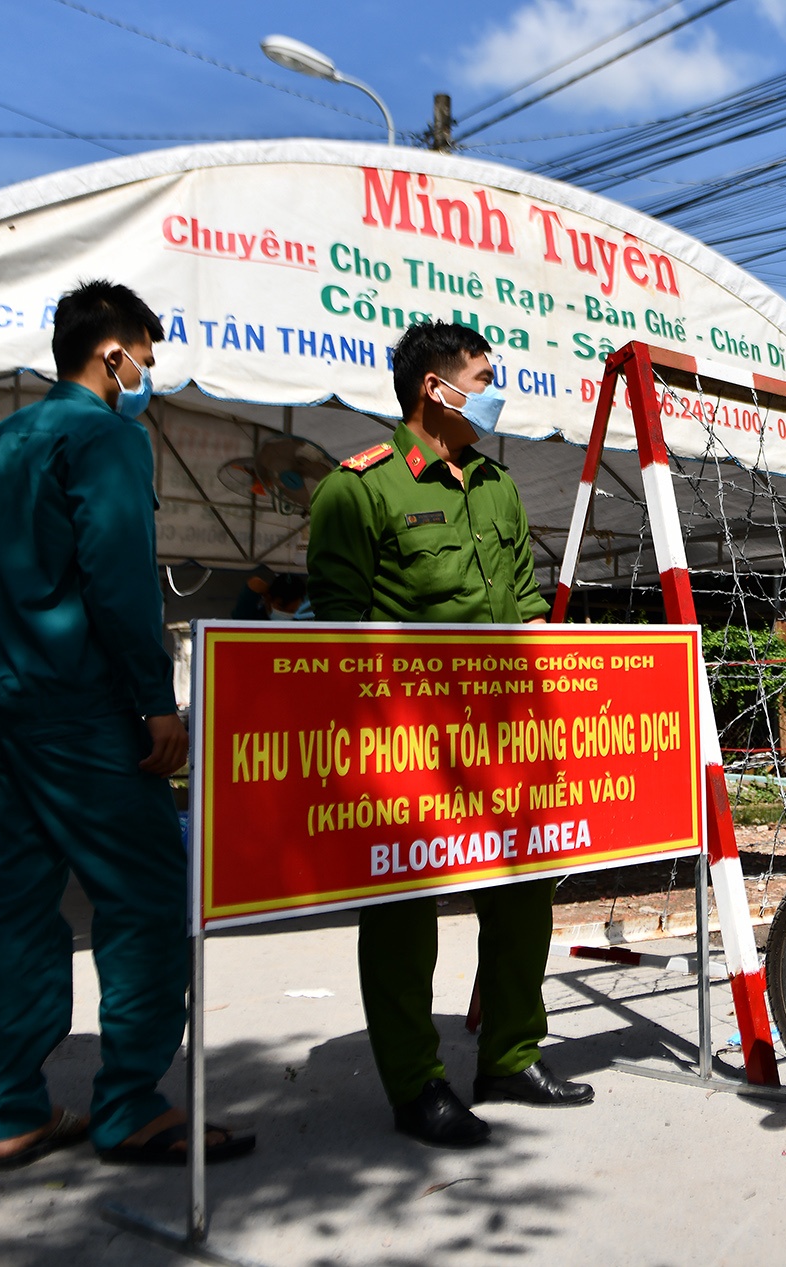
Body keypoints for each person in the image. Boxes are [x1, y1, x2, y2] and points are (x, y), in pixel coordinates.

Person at [0, 280, 255, 1169]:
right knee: (146, 898)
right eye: (145, 357)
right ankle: (129, 1103)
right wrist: (154, 704)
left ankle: (11, 1110)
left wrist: (0, 581)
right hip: (86, 708)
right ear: (111, 351)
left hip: (4, 712)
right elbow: (121, 577)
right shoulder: (106, 437)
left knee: (19, 904)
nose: (146, 375)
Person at [306, 320, 592, 1151]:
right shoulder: (358, 490)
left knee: (527, 888)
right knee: (403, 910)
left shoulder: (498, 487)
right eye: (485, 374)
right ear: (437, 388)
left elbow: (528, 610)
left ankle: (508, 1053)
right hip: (410, 742)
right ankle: (414, 1082)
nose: (497, 389)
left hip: (504, 737)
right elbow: (337, 637)